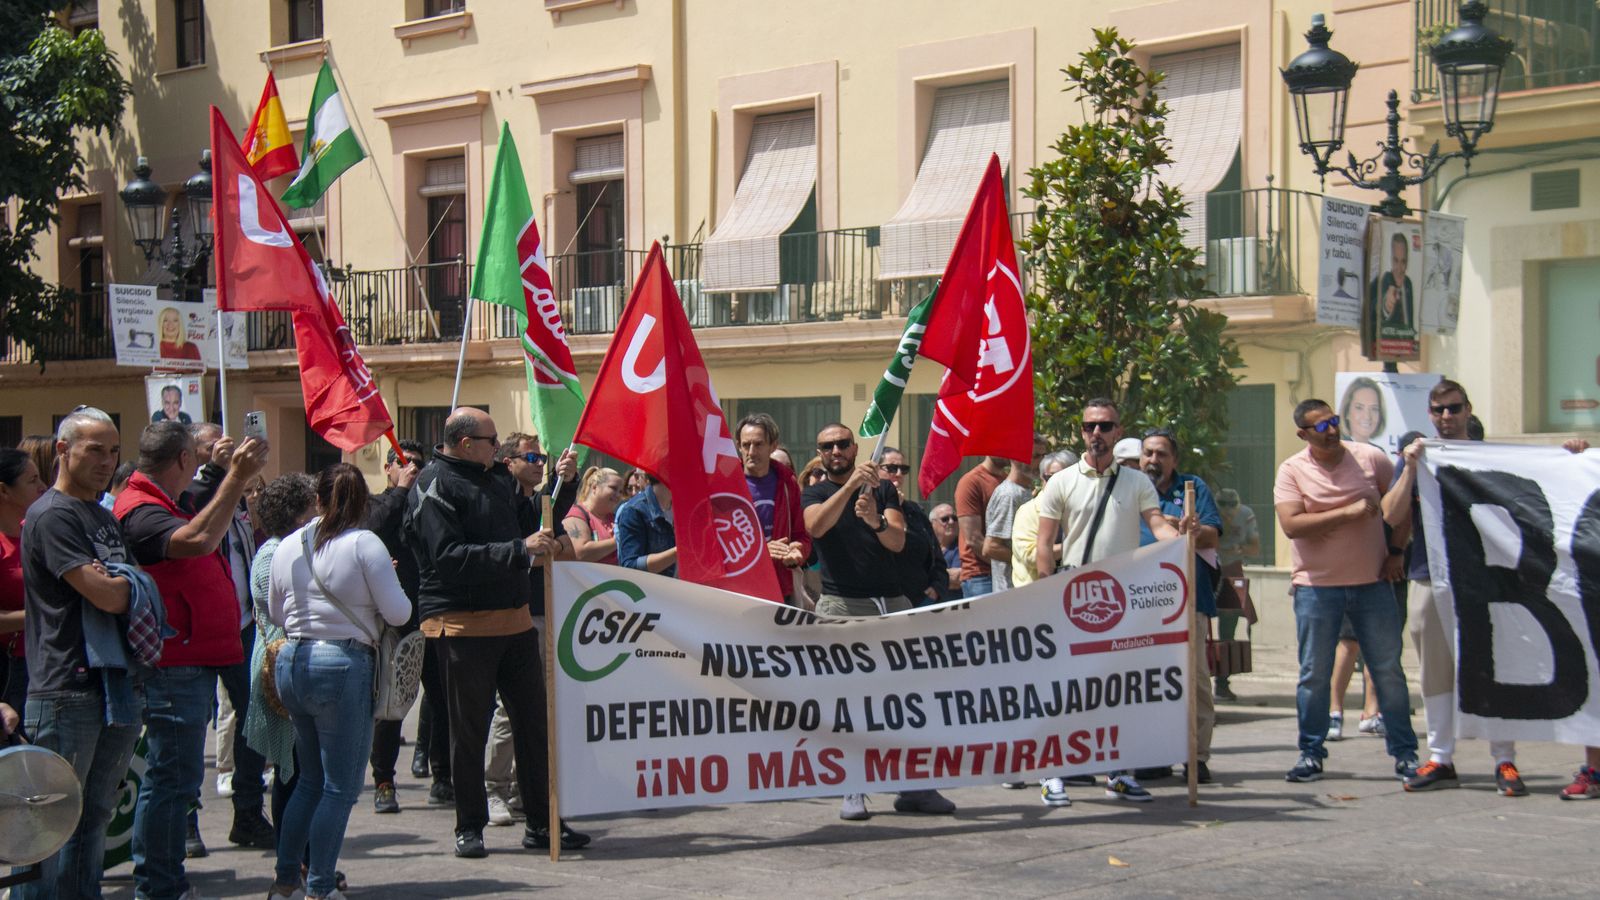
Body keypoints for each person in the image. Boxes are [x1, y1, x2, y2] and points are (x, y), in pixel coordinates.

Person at [1386, 379, 1590, 796]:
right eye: (1439, 410)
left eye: (1454, 408)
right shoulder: (1420, 457)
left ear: (1468, 410)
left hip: (1488, 584)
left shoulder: (1491, 458)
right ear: (1429, 413)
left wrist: (1572, 459)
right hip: (1431, 575)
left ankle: (1505, 760)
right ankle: (1440, 757)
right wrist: (1409, 467)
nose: (1447, 417)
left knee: (1495, 666)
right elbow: (1390, 516)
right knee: (1435, 672)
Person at [404, 408, 590, 857]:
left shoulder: (498, 480)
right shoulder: (433, 486)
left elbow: (534, 526)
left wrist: (564, 488)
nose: (502, 453)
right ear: (466, 443)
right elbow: (448, 557)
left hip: (516, 622)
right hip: (463, 627)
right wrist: (516, 550)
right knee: (469, 731)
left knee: (534, 725)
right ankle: (470, 826)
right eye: (492, 442)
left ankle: (543, 823)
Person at [114, 421, 271, 900]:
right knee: (171, 781)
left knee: (177, 779)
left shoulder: (165, 499)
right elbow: (198, 539)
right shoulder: (140, 508)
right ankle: (159, 885)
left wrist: (223, 476)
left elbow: (200, 509)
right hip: (173, 661)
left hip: (196, 653)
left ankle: (165, 880)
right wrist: (236, 478)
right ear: (183, 459)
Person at [265, 464, 412, 900]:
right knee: (339, 787)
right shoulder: (365, 543)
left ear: (318, 499)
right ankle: (320, 886)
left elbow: (275, 613)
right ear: (363, 500)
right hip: (343, 663)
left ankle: (285, 879)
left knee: (308, 781)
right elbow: (400, 613)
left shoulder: (289, 545)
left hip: (293, 660)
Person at [14, 408, 141, 900]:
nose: (107, 461)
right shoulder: (51, 515)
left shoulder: (103, 515)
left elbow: (121, 586)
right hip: (65, 687)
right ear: (64, 451)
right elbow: (110, 595)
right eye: (95, 449)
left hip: (114, 684)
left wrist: (127, 585)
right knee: (48, 827)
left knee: (95, 819)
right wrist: (136, 587)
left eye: (113, 450)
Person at [802, 423, 954, 820]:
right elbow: (816, 525)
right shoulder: (816, 491)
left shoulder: (884, 490)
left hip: (891, 603)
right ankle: (852, 789)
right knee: (848, 702)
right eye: (826, 446)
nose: (835, 450)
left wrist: (875, 521)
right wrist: (851, 487)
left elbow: (898, 541)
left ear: (855, 447)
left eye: (842, 444)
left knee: (906, 698)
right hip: (842, 607)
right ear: (819, 453)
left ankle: (915, 787)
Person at [1034, 401, 1182, 805]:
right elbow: (1045, 543)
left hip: (1121, 600)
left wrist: (1183, 538)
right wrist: (1046, 592)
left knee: (1116, 690)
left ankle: (1118, 771)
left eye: (1105, 426)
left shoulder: (1136, 483)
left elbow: (1157, 526)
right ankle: (1052, 773)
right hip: (1072, 597)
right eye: (1089, 427)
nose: (1096, 433)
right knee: (1066, 691)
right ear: (1081, 432)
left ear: (1118, 432)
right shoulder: (1062, 481)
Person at [1273, 398, 1418, 785]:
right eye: (1321, 427)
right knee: (1313, 675)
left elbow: (1400, 508)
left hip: (1373, 584)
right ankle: (1310, 753)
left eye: (1334, 422)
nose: (1332, 430)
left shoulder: (1370, 458)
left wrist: (1396, 552)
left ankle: (1406, 755)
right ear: (1304, 434)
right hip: (1316, 589)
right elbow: (1292, 525)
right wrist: (1349, 513)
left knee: (1387, 671)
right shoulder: (1292, 470)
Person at [482, 433, 578, 827]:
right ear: (509, 463)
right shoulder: (499, 500)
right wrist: (536, 551)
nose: (540, 463)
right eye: (532, 457)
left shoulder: (531, 500)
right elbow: (521, 552)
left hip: (540, 612)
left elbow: (556, 539)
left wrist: (566, 481)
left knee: (539, 707)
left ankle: (528, 789)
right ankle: (493, 789)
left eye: (542, 457)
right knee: (510, 708)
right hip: (509, 614)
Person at [184, 421, 272, 849]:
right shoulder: (188, 494)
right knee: (189, 727)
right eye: (210, 445)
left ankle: (249, 812)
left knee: (252, 721)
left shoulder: (235, 494)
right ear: (190, 454)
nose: (223, 448)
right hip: (196, 630)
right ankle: (184, 820)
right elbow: (195, 519)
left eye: (227, 442)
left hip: (240, 625)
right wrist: (219, 474)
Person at [1138, 428, 1223, 784]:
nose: (1153, 461)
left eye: (1161, 454)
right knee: (1148, 683)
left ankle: (1196, 756)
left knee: (1194, 680)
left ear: (1174, 459)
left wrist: (1191, 529)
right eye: (1148, 453)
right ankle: (1154, 754)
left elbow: (1212, 534)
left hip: (1188, 600)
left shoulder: (1192, 488)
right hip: (1139, 605)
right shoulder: (1130, 488)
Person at [243, 473, 315, 870]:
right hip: (280, 669)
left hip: (289, 666)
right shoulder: (274, 553)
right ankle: (293, 862)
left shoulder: (290, 547)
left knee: (301, 771)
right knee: (292, 774)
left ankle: (301, 857)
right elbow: (284, 613)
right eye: (309, 508)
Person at [363, 440, 429, 815]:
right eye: (405, 464)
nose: (413, 469)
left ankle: (443, 774)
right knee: (390, 704)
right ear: (388, 468)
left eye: (419, 464)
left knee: (440, 698)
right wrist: (401, 491)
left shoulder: (429, 504)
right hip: (390, 622)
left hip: (431, 612)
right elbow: (372, 529)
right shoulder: (377, 504)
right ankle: (384, 780)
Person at [735, 414, 810, 604]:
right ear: (738, 446)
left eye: (758, 444)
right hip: (739, 589)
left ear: (773, 446)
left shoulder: (787, 482)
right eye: (746, 445)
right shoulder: (726, 485)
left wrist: (797, 552)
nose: (751, 452)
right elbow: (717, 543)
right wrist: (760, 551)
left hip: (780, 587)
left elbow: (801, 535)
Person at [0, 448, 48, 719]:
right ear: (4, 491)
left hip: (43, 665)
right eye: (32, 481)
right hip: (8, 671)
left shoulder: (37, 535)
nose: (42, 487)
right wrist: (40, 615)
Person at [877, 446, 946, 607]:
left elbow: (936, 555)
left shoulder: (914, 511)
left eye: (904, 469)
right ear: (875, 471)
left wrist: (937, 587)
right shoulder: (866, 510)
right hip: (883, 602)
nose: (899, 474)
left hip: (921, 601)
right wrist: (890, 507)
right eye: (892, 468)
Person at [981, 435, 1048, 593]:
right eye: (1036, 456)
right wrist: (1028, 557)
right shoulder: (1009, 495)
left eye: (1043, 456)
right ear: (1016, 458)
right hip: (1010, 591)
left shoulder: (1024, 491)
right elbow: (990, 547)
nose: (1041, 463)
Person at [1213, 487, 1260, 702]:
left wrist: (1239, 548)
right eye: (1223, 504)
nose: (1228, 509)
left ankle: (1222, 682)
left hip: (1231, 570)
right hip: (1208, 569)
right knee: (1199, 626)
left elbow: (1255, 548)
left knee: (1228, 629)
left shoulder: (1245, 514)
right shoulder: (1209, 511)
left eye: (1232, 504)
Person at [1007, 451, 1075, 590]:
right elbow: (1030, 555)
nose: (1056, 483)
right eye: (1050, 478)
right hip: (1036, 596)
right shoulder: (1028, 512)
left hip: (1073, 590)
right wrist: (1074, 545)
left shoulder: (1080, 508)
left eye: (1063, 478)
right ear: (1041, 478)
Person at [954, 457, 1007, 597]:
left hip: (1005, 573)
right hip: (980, 576)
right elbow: (974, 539)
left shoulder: (1008, 481)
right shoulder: (971, 481)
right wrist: (1007, 562)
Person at [615, 474, 678, 577]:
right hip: (653, 591)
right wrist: (679, 552)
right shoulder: (635, 510)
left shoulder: (687, 506)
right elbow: (630, 566)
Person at [562, 466, 624, 565]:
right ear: (595, 487)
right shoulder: (576, 514)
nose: (618, 495)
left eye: (621, 491)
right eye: (613, 488)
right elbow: (580, 554)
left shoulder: (617, 518)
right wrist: (619, 540)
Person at [1338, 377, 1386, 448]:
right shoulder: (1338, 449)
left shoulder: (1378, 452)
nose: (1367, 416)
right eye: (1359, 408)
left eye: (1374, 409)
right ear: (1347, 412)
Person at [928, 502, 961, 602]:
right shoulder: (926, 547)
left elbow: (957, 579)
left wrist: (925, 577)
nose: (951, 522)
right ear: (932, 524)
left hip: (955, 608)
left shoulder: (962, 547)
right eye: (945, 519)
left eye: (954, 518)